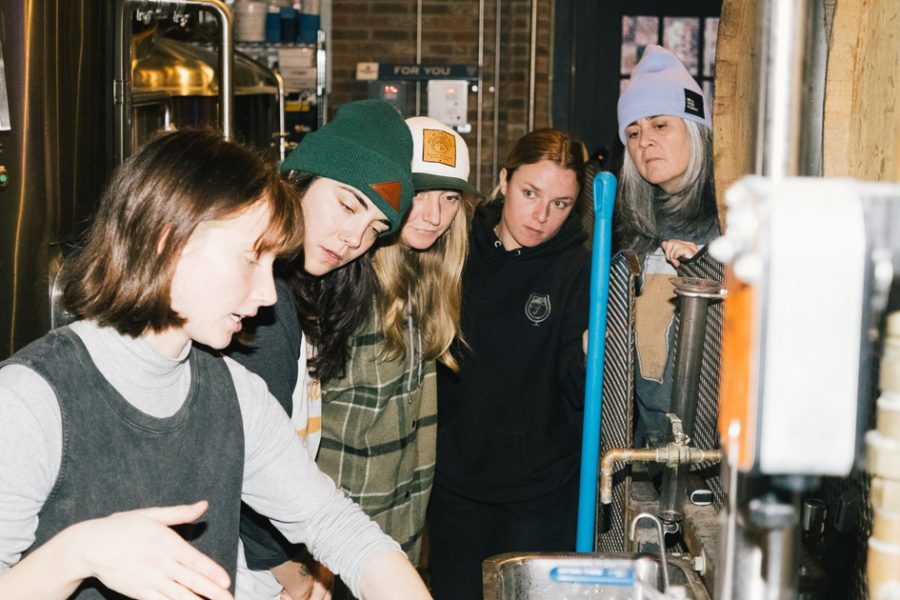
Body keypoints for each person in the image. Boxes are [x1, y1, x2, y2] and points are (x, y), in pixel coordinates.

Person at [0, 128, 431, 600]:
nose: (268, 295)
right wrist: (76, 554)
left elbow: (337, 527)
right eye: (251, 260)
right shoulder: (31, 399)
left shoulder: (235, 393)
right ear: (169, 241)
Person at [224, 99, 416, 599]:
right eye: (349, 204)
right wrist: (290, 569)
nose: (355, 237)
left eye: (376, 228)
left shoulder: (306, 291)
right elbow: (239, 465)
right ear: (300, 180)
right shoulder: (264, 310)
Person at [428, 128, 591, 600]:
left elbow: (580, 394)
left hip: (540, 497)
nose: (541, 216)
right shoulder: (458, 249)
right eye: (530, 193)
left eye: (560, 203)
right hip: (456, 488)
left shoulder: (578, 270)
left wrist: (592, 355)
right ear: (504, 179)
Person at [613, 44, 720, 447]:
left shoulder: (730, 223)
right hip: (648, 439)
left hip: (713, 446)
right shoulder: (637, 229)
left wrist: (707, 273)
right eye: (634, 132)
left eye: (661, 125)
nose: (645, 143)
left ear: (694, 128)